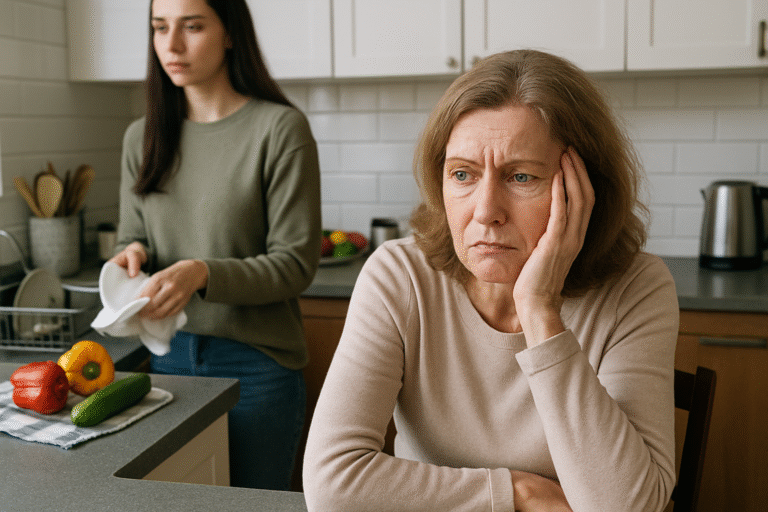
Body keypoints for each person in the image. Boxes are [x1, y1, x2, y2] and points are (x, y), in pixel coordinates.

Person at [303, 49, 678, 511]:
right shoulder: (399, 277)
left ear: (583, 187)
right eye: (462, 174)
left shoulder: (638, 288)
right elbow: (332, 483)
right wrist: (513, 492)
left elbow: (629, 508)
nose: (485, 212)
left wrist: (540, 310)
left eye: (521, 177)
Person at [111, 0, 321, 490]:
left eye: (193, 26)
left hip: (256, 367)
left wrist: (201, 273)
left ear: (230, 34)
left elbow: (294, 265)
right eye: (160, 28)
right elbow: (131, 238)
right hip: (169, 361)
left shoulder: (279, 129)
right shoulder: (141, 136)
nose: (172, 45)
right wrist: (131, 258)